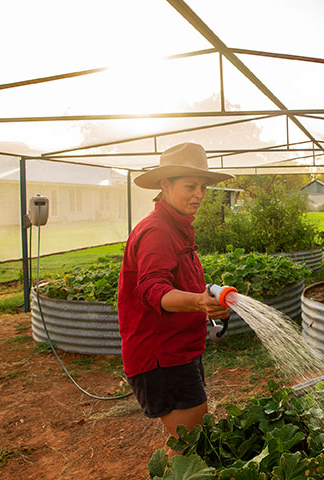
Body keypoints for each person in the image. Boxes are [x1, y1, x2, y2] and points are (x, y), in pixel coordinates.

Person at [117, 142, 233, 455]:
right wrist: (198, 302)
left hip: (178, 351)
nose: (199, 194)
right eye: (190, 186)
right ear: (165, 185)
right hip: (161, 357)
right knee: (191, 448)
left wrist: (208, 301)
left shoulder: (176, 228)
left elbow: (181, 282)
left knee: (188, 445)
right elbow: (153, 290)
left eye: (203, 187)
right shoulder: (157, 231)